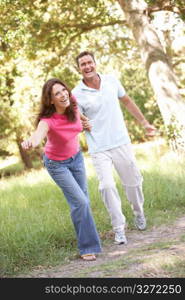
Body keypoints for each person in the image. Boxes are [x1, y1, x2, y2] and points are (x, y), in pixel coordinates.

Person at [72, 51, 156, 245]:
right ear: (79, 69)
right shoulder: (76, 94)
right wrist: (82, 123)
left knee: (133, 182)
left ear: (95, 63)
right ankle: (119, 228)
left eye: (89, 62)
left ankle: (138, 212)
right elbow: (78, 120)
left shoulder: (111, 81)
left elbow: (126, 101)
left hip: (121, 142)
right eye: (83, 64)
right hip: (98, 147)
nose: (87, 66)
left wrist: (144, 123)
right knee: (107, 186)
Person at [21, 78, 102, 261]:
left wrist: (85, 122)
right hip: (57, 165)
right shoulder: (48, 120)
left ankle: (86, 243)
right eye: (57, 94)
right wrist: (30, 142)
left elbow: (79, 117)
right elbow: (37, 136)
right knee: (81, 202)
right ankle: (88, 247)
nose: (63, 94)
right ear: (50, 100)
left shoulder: (71, 101)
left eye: (63, 90)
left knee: (81, 203)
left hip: (76, 158)